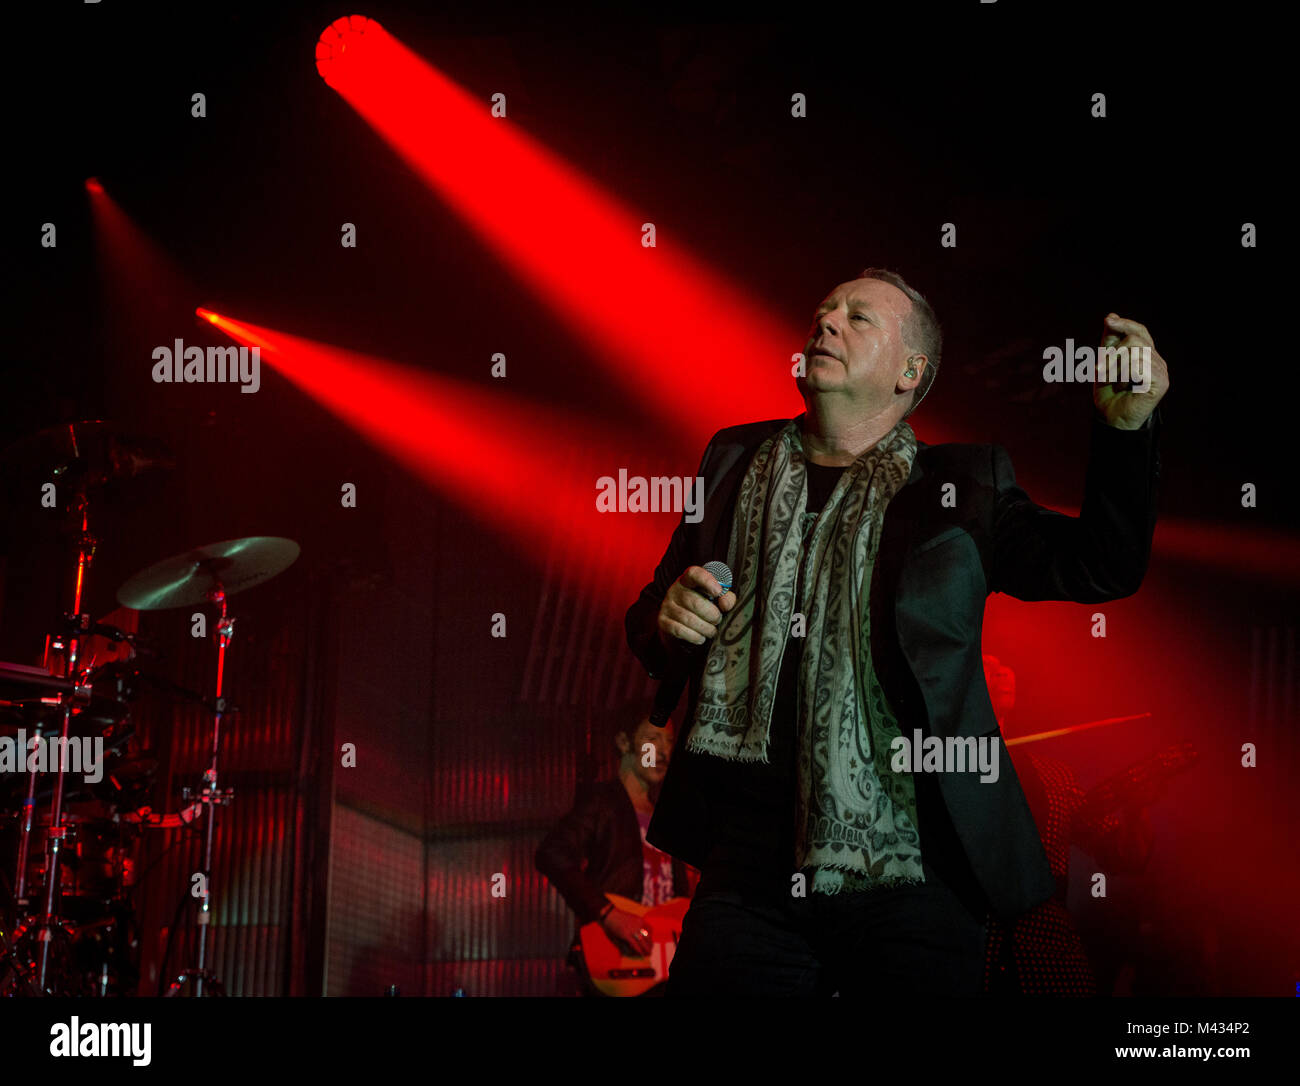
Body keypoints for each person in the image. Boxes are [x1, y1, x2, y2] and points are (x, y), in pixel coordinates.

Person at [623, 267, 1169, 996]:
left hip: (914, 866)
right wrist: (667, 621)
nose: (826, 324)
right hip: (750, 867)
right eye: (822, 313)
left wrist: (1124, 432)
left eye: (858, 318)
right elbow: (649, 618)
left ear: (912, 372)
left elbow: (1099, 568)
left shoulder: (965, 487)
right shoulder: (733, 461)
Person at [979, 655, 1154, 995]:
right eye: (985, 663)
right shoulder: (937, 766)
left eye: (1003, 665)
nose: (1004, 670)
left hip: (1047, 957)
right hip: (967, 953)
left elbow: (1122, 855)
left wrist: (1136, 806)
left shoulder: (1054, 775)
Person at [534, 698, 697, 995]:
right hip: (618, 954)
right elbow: (552, 853)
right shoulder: (603, 803)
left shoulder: (668, 816)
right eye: (652, 739)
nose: (663, 751)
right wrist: (608, 914)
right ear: (624, 742)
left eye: (670, 741)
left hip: (664, 960)